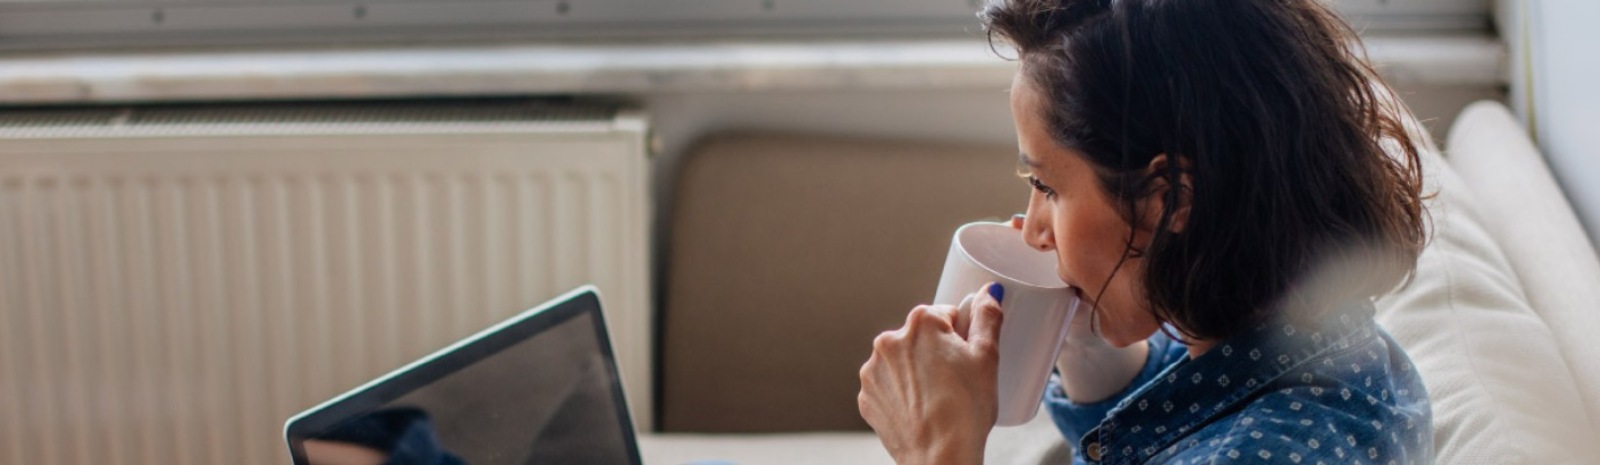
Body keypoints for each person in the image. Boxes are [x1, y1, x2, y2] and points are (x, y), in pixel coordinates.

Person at [855, 0, 1433, 463]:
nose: (1033, 231)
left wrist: (938, 450)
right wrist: (1089, 352)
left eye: (1048, 188)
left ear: (1168, 199)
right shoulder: (1318, 351)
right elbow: (1194, 412)